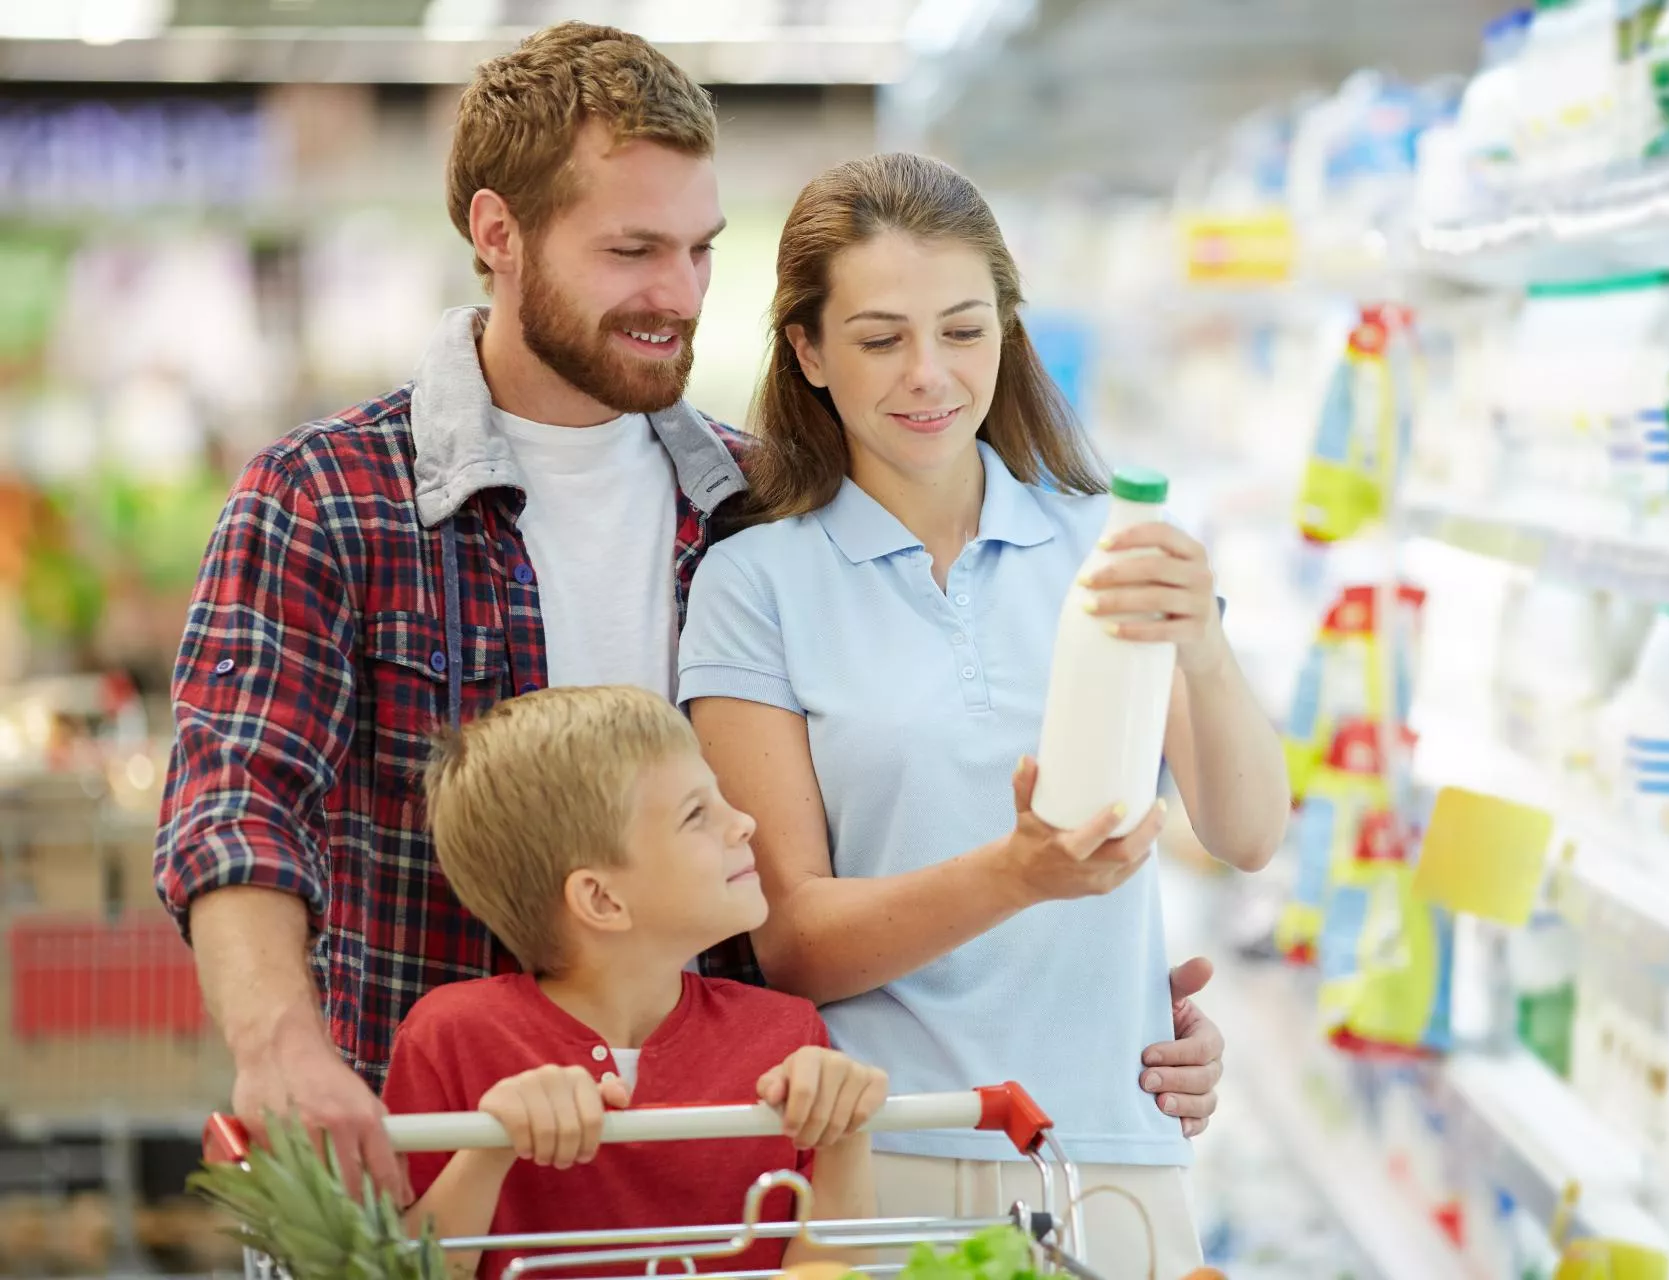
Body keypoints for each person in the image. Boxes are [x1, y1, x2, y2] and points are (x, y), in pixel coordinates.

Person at [154, 19, 1223, 1211]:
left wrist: (1107, 998)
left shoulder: (759, 507)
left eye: (702, 249)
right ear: (497, 234)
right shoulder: (328, 496)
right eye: (632, 250)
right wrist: (278, 1045)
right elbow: (237, 799)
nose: (679, 293)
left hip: (721, 1180)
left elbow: (875, 838)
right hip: (431, 1168)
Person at [677, 152, 1292, 1275]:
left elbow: (1250, 830)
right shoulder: (756, 582)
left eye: (964, 329)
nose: (929, 374)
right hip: (884, 1155)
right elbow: (793, 941)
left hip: (1111, 1150)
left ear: (1009, 329)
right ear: (807, 351)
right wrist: (1019, 871)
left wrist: (1202, 639)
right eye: (879, 338)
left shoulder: (1105, 540)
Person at [384, 685, 885, 1279]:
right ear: (600, 898)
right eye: (697, 814)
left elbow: (829, 1267)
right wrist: (490, 1149)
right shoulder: (451, 1035)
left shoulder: (788, 1032)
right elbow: (400, 1270)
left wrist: (845, 1133)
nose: (745, 822)